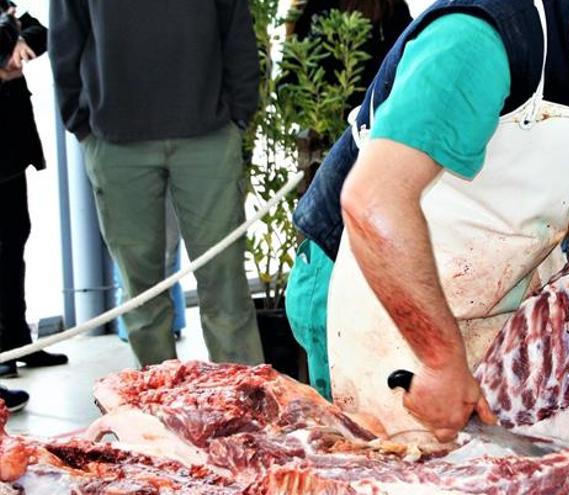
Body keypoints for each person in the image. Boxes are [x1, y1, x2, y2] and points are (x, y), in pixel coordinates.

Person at [287, 0, 569, 441]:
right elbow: (373, 201)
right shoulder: (478, 41)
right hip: (376, 283)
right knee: (388, 465)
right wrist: (441, 361)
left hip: (501, 289)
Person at [49, 0, 265, 367]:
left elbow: (236, 27)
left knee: (226, 284)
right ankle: (156, 412)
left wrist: (240, 111)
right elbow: (66, 38)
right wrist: (80, 122)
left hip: (207, 135)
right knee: (141, 295)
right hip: (117, 141)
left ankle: (246, 407)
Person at [0, 2, 67, 397]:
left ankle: (18, 340)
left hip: (11, 149)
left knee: (14, 243)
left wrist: (20, 41)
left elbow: (37, 28)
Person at [283, 0, 411, 108]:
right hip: (305, 118)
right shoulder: (311, 5)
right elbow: (290, 68)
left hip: (360, 125)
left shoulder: (394, 15)